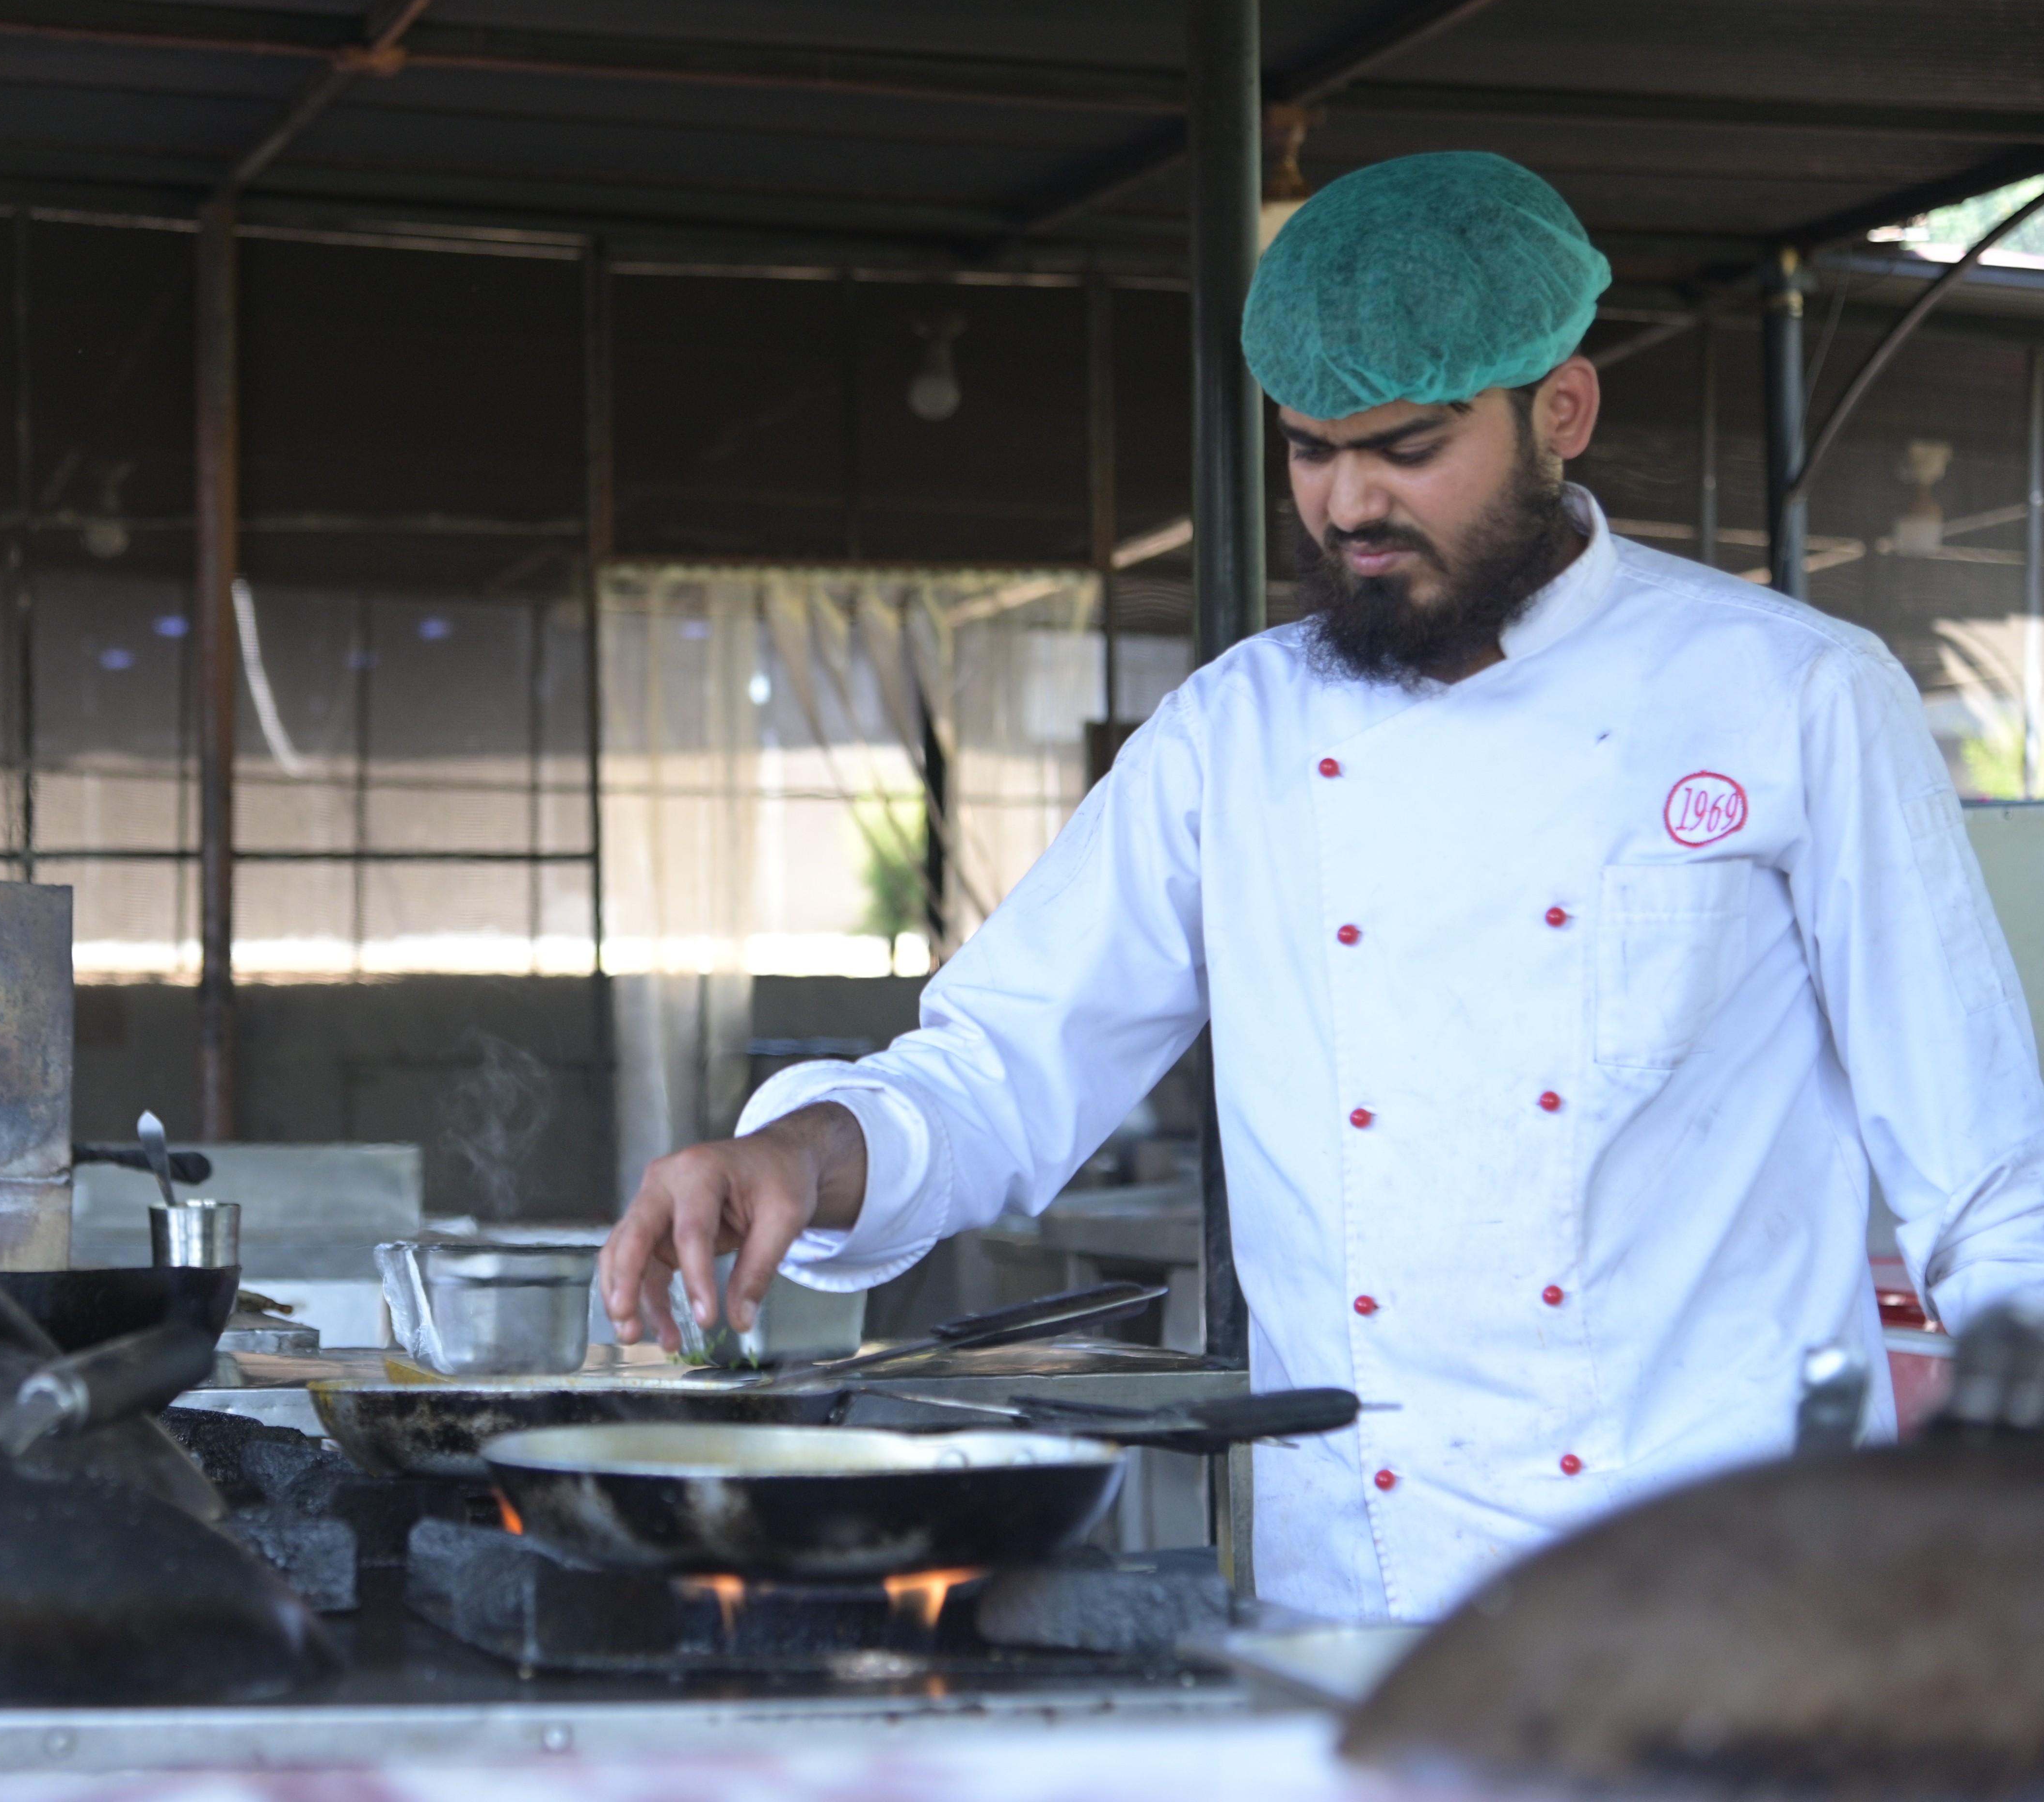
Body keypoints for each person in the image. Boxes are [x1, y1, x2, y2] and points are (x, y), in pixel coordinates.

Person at [595, 151, 2044, 1623]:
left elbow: (1994, 1180)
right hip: (1352, 1609)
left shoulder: (1792, 694)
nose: (1349, 501)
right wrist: (799, 1158)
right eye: (1309, 449)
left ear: (1562, 411)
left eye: (1409, 447)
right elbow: (993, 1075)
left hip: (1734, 1599)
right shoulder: (1238, 733)